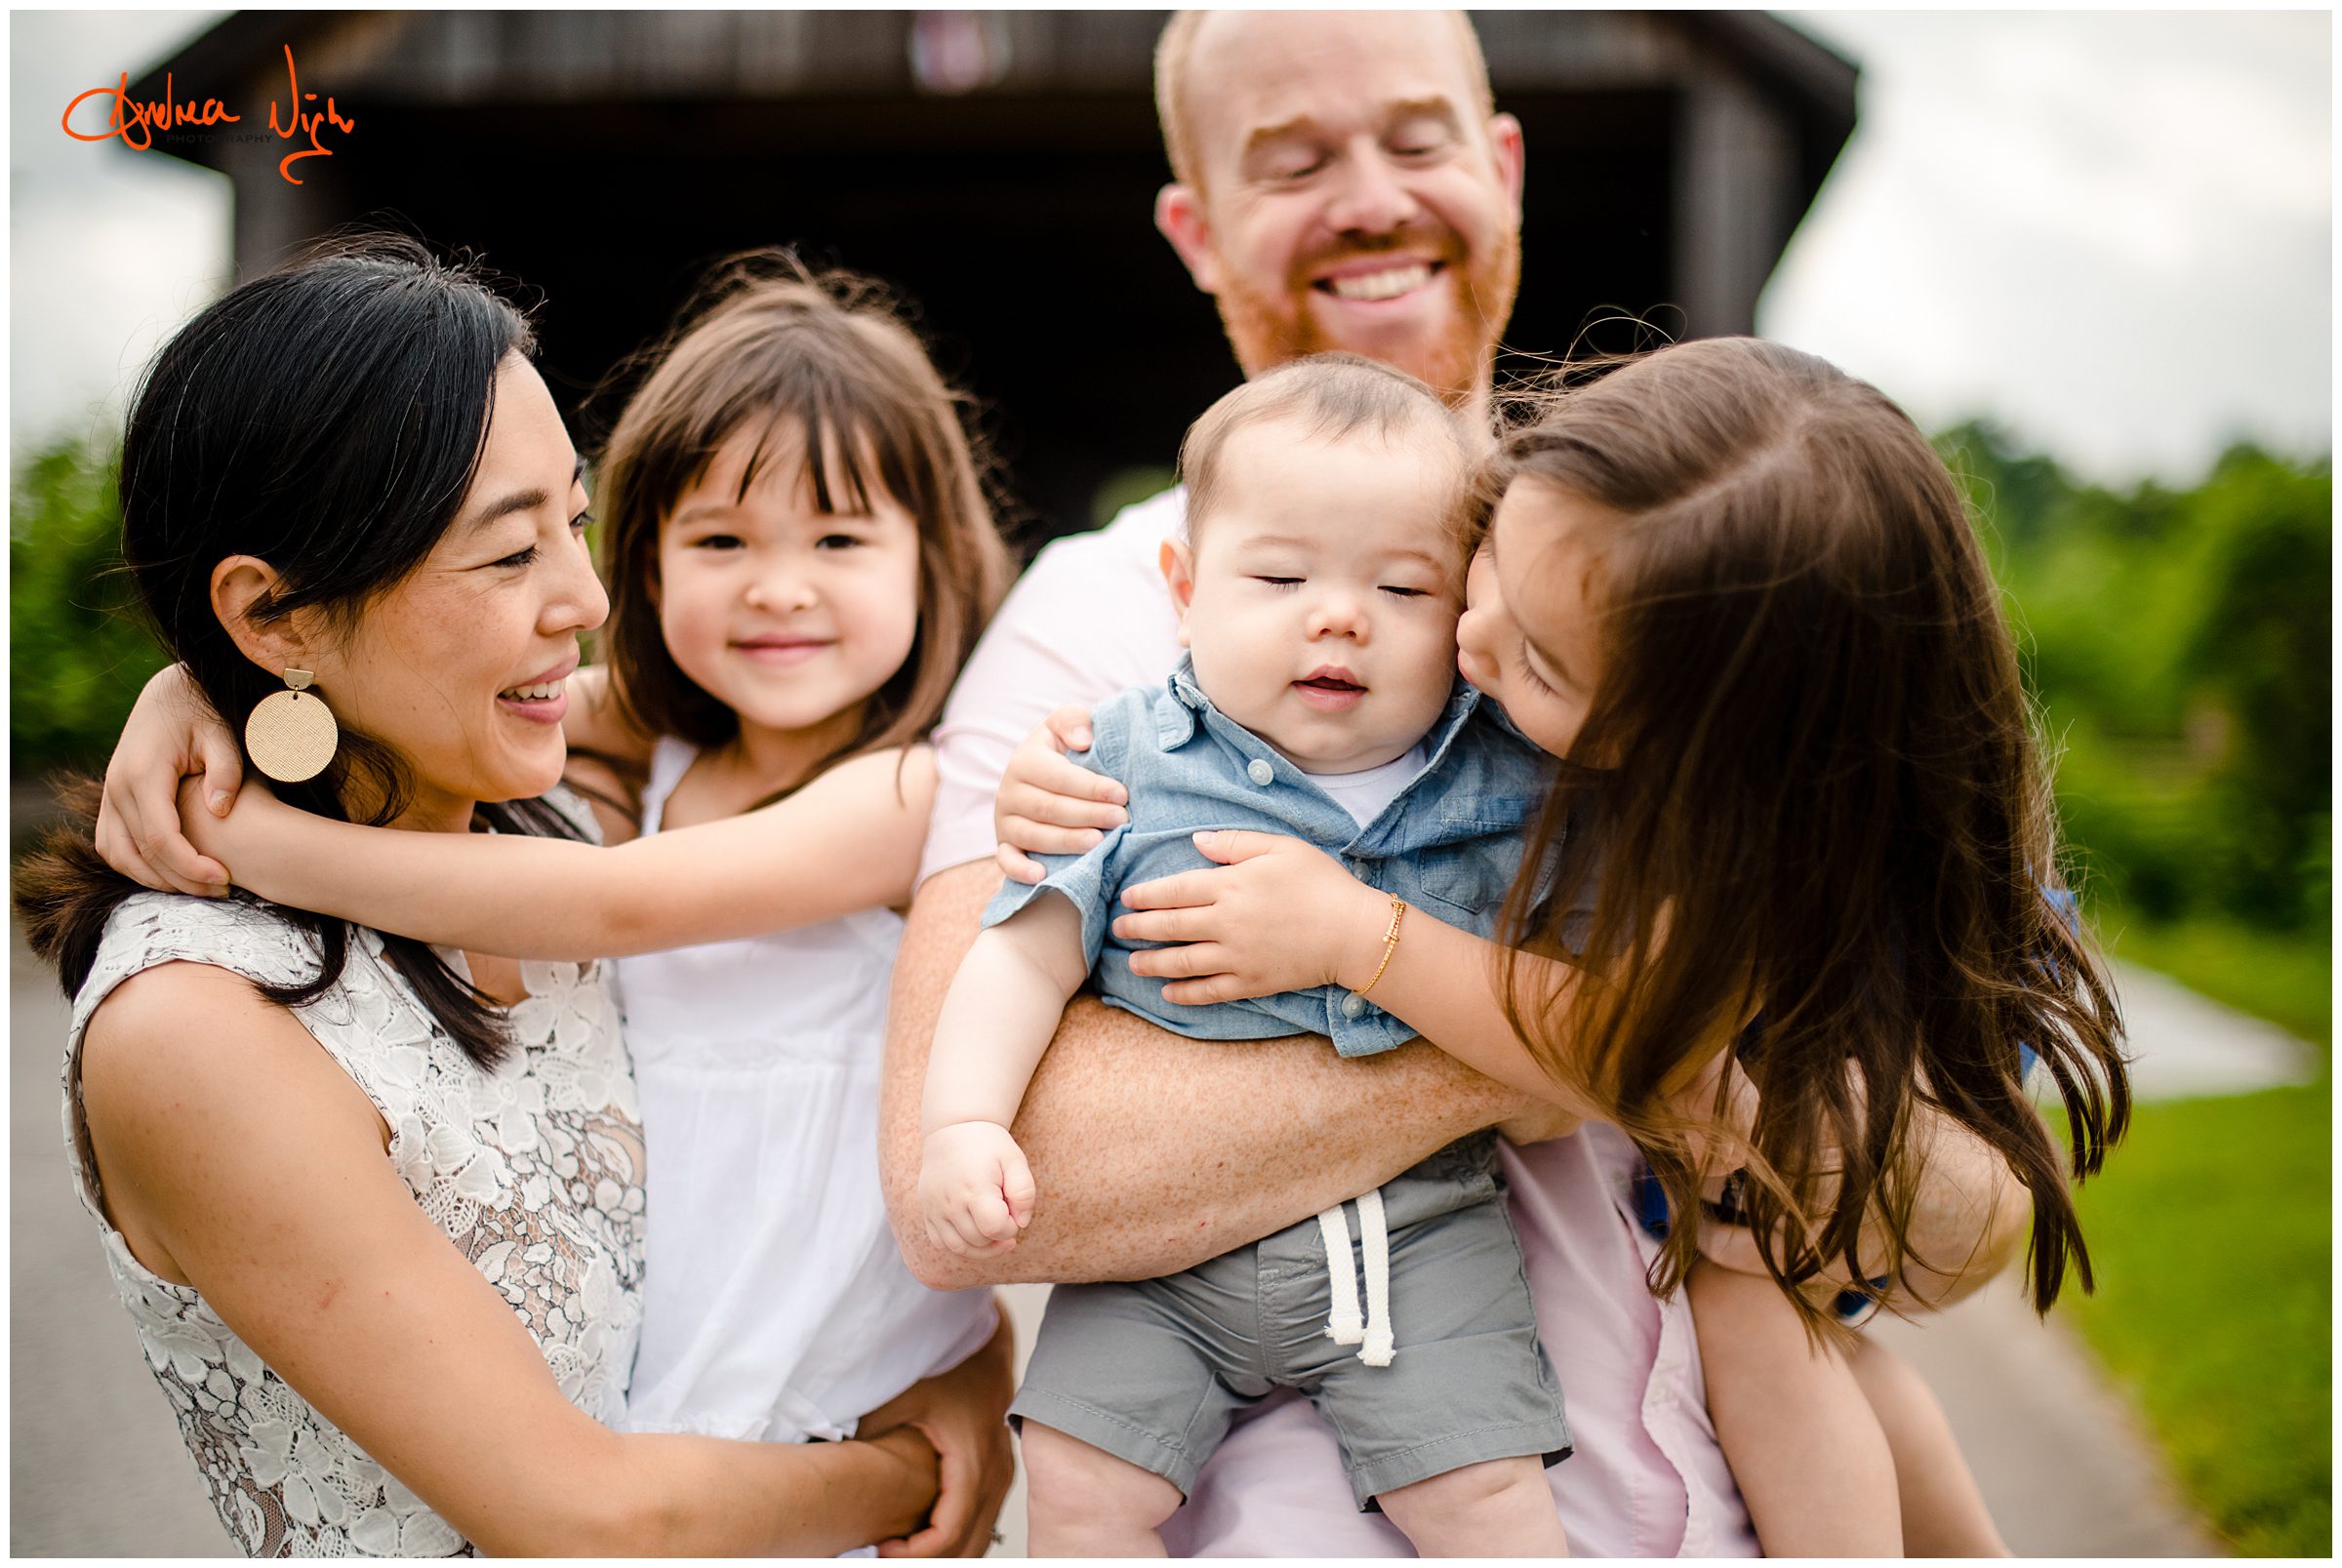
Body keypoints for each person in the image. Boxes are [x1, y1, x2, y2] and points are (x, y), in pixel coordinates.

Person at [880, 9, 2032, 1556]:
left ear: (1501, 168)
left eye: (1416, 139)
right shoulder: (1099, 631)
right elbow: (1009, 1173)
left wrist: (1681, 1040)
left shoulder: (1685, 569)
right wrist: (1635, 1036)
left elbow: (1954, 1214)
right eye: (1293, 161)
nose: (1370, 195)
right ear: (1196, 228)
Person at [994, 340, 2132, 1555]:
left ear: (1697, 750)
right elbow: (1226, 729)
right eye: (1480, 568)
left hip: (1752, 1241)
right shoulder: (1526, 622)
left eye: (1538, 662)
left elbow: (1633, 1045)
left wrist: (1359, 934)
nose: (1471, 641)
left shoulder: (1748, 859)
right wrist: (1083, 774)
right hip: (1597, 1275)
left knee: (1779, 1330)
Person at [16, 238, 1011, 1557]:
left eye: (578, 521)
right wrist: (913, 1471)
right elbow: (579, 1513)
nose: (590, 601)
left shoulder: (560, 808)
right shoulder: (198, 1025)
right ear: (275, 614)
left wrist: (208, 699)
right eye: (506, 556)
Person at [922, 357, 1572, 1554]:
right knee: (1072, 1477)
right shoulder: (1114, 759)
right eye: (1279, 575)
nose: (1338, 613)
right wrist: (964, 1123)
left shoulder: (1506, 779)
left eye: (1402, 586)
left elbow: (1587, 1000)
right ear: (1184, 588)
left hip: (1418, 1229)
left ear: (1472, 623)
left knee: (1487, 1489)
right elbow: (1020, 956)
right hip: (1160, 1260)